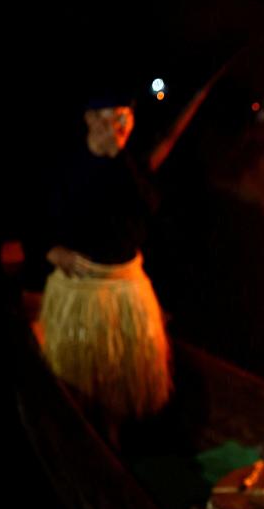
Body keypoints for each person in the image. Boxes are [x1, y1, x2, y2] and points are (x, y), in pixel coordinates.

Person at [39, 93, 172, 449]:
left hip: (126, 287)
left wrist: (121, 161)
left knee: (119, 382)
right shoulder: (65, 164)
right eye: (111, 115)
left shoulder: (132, 163)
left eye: (126, 115)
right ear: (89, 119)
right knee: (76, 383)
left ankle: (115, 449)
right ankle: (75, 443)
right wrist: (50, 250)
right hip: (80, 292)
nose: (120, 124)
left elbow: (150, 210)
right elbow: (34, 213)